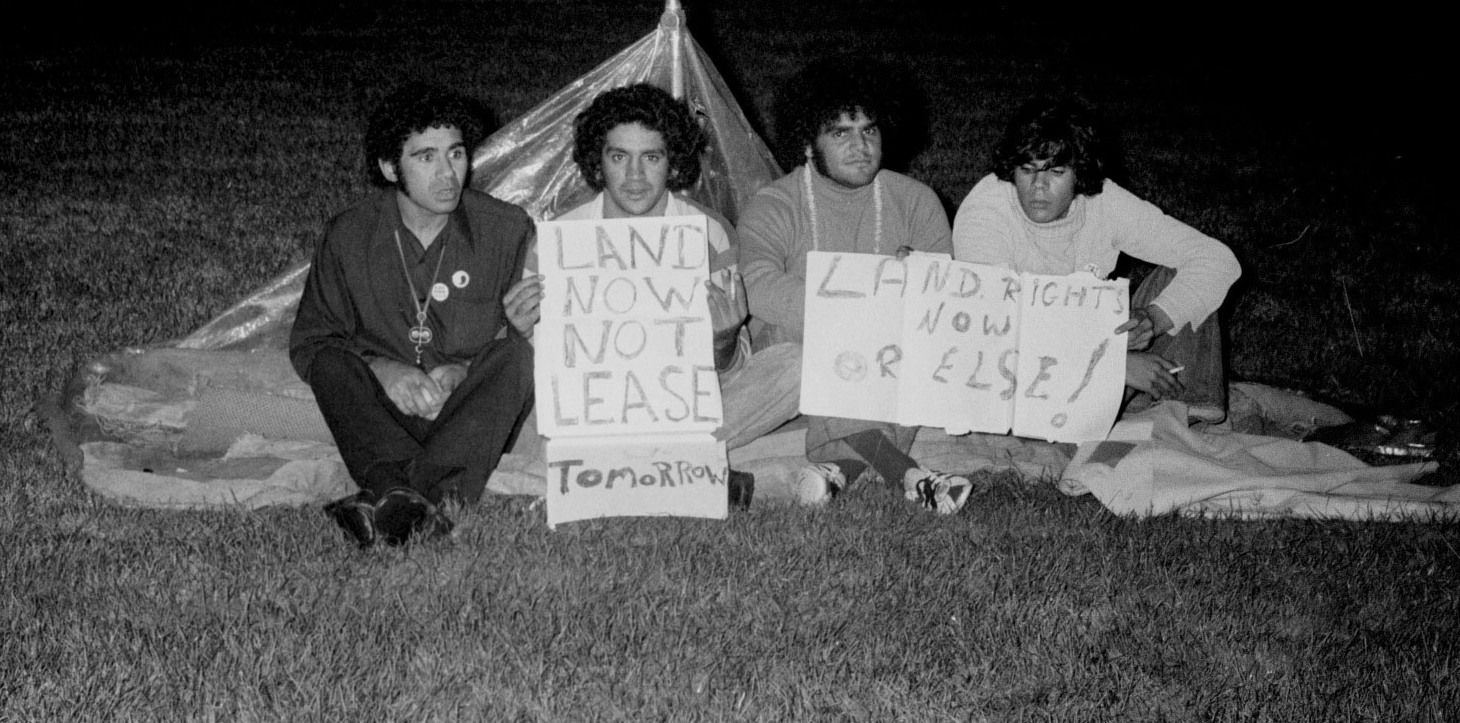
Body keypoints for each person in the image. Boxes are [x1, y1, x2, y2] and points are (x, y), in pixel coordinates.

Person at [290, 81, 543, 549]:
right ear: (390, 168)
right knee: (329, 366)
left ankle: (392, 493)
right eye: (426, 158)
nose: (448, 174)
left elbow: (518, 338)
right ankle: (424, 498)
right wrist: (382, 370)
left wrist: (467, 367)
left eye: (456, 154)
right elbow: (312, 341)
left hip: (468, 415)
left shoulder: (506, 229)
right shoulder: (349, 234)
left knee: (516, 360)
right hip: (381, 416)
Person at [503, 83, 801, 462]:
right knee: (510, 406)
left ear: (672, 162)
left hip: (682, 408)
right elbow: (541, 374)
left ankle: (620, 465)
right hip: (594, 410)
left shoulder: (709, 234)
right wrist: (520, 332)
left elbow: (731, 372)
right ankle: (671, 463)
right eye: (619, 157)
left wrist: (724, 340)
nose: (635, 175)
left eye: (651, 157)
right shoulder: (558, 241)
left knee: (793, 366)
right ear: (598, 162)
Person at [736, 59, 974, 514]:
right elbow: (756, 284)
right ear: (808, 143)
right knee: (826, 345)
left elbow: (944, 297)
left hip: (887, 353)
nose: (860, 147)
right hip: (795, 351)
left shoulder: (916, 201)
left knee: (918, 350)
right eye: (840, 133)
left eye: (869, 130)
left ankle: (840, 469)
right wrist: (851, 314)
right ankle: (906, 473)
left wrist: (919, 277)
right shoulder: (775, 204)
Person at [952, 95, 1239, 425]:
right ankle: (1132, 412)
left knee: (1182, 277)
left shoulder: (1103, 200)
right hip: (1013, 372)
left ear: (1080, 174)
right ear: (1011, 170)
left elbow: (1217, 259)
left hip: (1088, 341)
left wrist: (1154, 319)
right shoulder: (985, 212)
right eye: (1026, 170)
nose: (1038, 186)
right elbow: (994, 327)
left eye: (1056, 171)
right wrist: (1112, 364)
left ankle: (1184, 412)